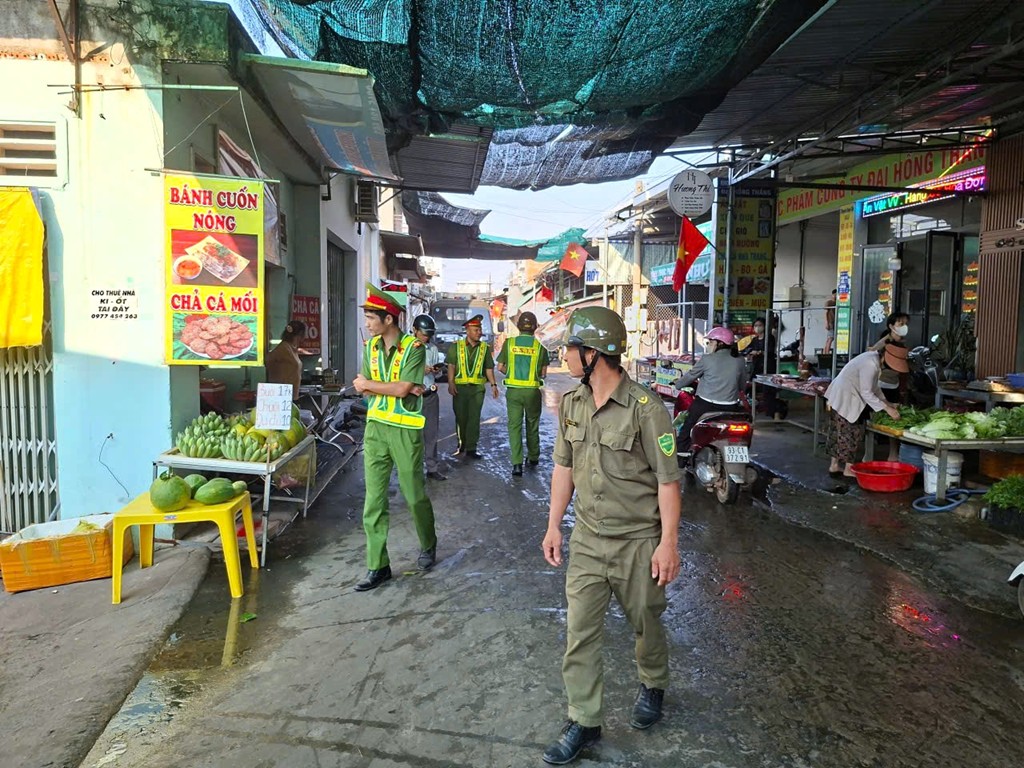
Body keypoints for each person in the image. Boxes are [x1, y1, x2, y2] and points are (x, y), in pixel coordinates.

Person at [541, 306, 681, 766]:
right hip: (587, 539)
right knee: (579, 632)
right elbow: (564, 467)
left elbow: (667, 482)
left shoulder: (647, 409)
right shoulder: (572, 403)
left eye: (570, 348)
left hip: (638, 541)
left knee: (646, 622)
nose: (564, 355)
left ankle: (653, 683)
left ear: (594, 354)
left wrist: (667, 544)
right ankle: (584, 719)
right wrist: (553, 524)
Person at [351, 284, 437, 591]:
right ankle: (378, 566)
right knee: (373, 501)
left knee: (413, 494)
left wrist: (372, 385)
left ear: (389, 319)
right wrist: (387, 386)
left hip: (405, 432)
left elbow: (399, 389)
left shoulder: (415, 348)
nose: (367, 323)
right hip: (375, 430)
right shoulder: (370, 348)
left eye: (371, 317)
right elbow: (366, 388)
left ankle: (428, 544)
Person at [824, 348, 901, 477]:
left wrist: (888, 403)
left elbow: (874, 387)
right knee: (850, 433)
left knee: (837, 433)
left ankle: (834, 466)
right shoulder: (870, 365)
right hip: (847, 397)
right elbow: (867, 393)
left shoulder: (872, 358)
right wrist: (888, 409)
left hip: (840, 394)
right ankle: (848, 469)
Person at [674, 326, 748, 452]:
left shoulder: (707, 359)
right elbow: (742, 386)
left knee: (687, 428)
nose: (708, 345)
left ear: (720, 343)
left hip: (705, 405)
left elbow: (690, 376)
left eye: (710, 342)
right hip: (731, 407)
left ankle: (681, 456)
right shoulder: (740, 360)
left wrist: (678, 384)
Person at [497, 311, 550, 477]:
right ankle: (533, 457)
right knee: (532, 424)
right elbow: (543, 373)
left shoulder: (509, 343)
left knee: (514, 427)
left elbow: (500, 367)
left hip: (513, 392)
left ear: (518, 326)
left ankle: (517, 464)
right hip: (532, 392)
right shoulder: (540, 346)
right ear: (535, 327)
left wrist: (512, 373)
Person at [446, 314, 498, 459]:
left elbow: (489, 368)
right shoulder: (456, 347)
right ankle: (461, 443)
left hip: (477, 390)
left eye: (480, 329)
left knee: (474, 419)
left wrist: (493, 385)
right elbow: (451, 365)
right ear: (467, 331)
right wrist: (451, 383)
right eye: (476, 330)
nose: (479, 332)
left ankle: (471, 448)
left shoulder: (484, 348)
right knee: (461, 417)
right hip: (460, 389)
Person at [412, 313, 447, 481]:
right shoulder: (407, 348)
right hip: (412, 397)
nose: (426, 337)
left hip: (430, 395)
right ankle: (414, 470)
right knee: (413, 436)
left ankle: (432, 468)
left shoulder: (432, 349)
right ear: (415, 330)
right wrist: (420, 369)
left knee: (431, 433)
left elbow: (437, 375)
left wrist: (436, 370)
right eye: (423, 334)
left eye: (429, 335)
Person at [743, 316, 784, 419]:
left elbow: (769, 351)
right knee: (750, 388)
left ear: (765, 326)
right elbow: (746, 350)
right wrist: (749, 352)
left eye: (760, 325)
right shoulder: (755, 340)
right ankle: (755, 409)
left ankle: (773, 413)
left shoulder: (769, 338)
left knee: (768, 391)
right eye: (756, 326)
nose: (757, 328)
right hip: (757, 368)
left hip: (768, 367)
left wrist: (759, 352)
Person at [265, 320, 306, 401]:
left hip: (291, 394)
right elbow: (268, 360)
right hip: (282, 394)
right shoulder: (283, 348)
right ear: (300, 334)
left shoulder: (292, 349)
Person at [823, 289, 837, 354]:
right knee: (830, 338)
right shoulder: (829, 302)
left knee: (829, 338)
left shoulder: (837, 303)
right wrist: (827, 323)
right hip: (831, 322)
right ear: (833, 294)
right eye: (835, 294)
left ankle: (825, 353)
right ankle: (826, 353)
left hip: (835, 322)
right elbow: (826, 313)